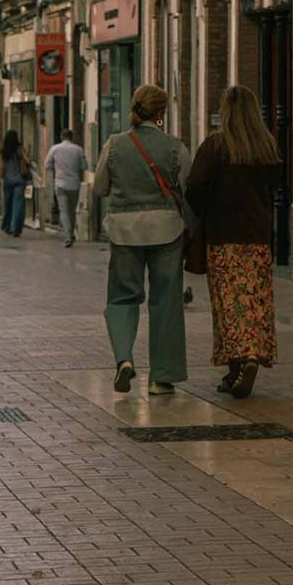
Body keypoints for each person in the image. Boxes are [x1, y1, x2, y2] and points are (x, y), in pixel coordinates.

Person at [186, 86, 283, 399]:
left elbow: (195, 188)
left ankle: (237, 365)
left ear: (225, 111)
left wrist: (206, 211)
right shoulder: (267, 147)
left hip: (223, 237)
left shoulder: (216, 147)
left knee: (228, 303)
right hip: (257, 238)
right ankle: (252, 355)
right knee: (254, 300)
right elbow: (276, 189)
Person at [93, 84, 189, 396]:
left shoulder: (115, 144)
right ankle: (162, 377)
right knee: (166, 301)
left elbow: (99, 187)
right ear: (162, 112)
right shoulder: (175, 147)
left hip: (124, 231)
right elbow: (188, 188)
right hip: (167, 230)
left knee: (122, 296)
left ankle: (124, 359)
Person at [45, 128, 89, 248]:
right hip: (74, 184)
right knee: (72, 210)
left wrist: (57, 167)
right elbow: (85, 166)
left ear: (61, 136)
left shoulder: (54, 149)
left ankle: (68, 235)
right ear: (72, 137)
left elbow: (47, 165)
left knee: (63, 210)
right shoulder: (78, 149)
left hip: (60, 183)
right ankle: (71, 234)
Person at [0, 130, 31, 237]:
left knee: (8, 204)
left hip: (7, 180)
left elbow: (2, 167)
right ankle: (16, 228)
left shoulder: (4, 151)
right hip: (19, 179)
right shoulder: (20, 149)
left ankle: (7, 227)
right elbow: (27, 161)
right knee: (18, 205)